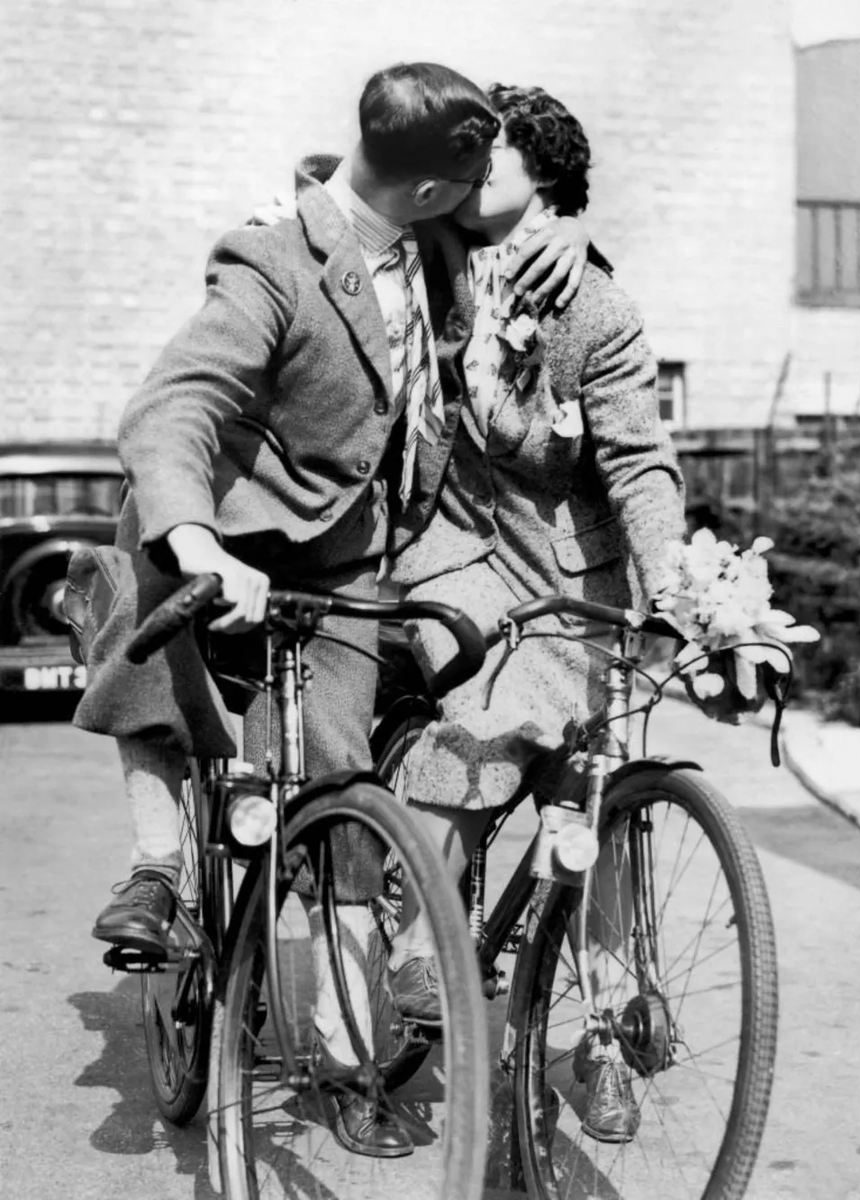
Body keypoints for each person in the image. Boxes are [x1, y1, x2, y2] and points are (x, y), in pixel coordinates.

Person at [64, 63, 589, 1158]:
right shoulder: (267, 256)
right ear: (435, 189)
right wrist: (200, 538)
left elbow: (527, 245)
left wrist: (572, 241)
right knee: (164, 669)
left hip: (342, 562)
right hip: (213, 533)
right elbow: (173, 407)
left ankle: (351, 1061)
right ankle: (159, 868)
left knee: (341, 796)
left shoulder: (433, 242)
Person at [384, 84, 687, 1144]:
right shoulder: (427, 247)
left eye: (492, 160)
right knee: (477, 723)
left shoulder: (597, 307)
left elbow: (641, 463)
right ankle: (422, 938)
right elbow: (324, 196)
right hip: (458, 553)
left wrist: (680, 584)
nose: (469, 176)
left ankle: (600, 1032)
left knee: (592, 804)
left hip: (569, 571)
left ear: (545, 180)